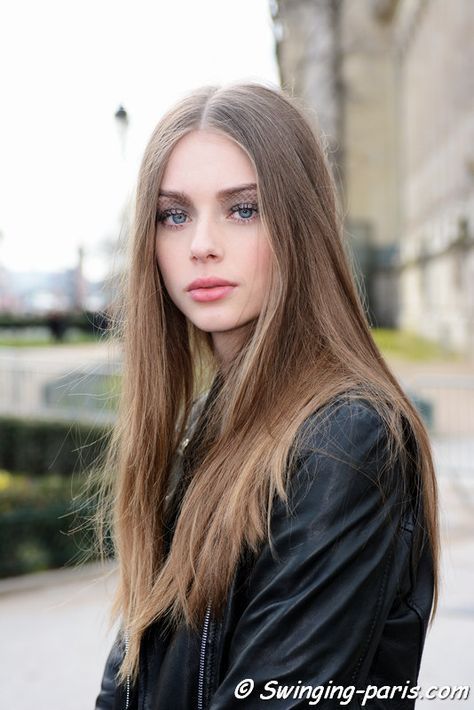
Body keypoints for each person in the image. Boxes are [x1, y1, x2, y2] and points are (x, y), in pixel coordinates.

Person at [93, 81, 439, 709]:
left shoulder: (347, 440)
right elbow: (131, 672)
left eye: (242, 208)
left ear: (299, 225)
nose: (201, 244)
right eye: (174, 214)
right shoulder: (209, 421)